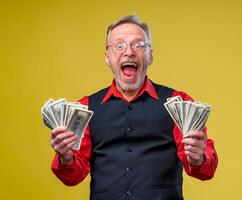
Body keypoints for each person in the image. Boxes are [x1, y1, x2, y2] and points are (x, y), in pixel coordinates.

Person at [50, 15, 218, 200]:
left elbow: (205, 171)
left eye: (139, 45)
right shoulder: (84, 107)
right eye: (119, 46)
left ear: (150, 56)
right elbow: (73, 177)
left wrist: (198, 157)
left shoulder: (178, 102)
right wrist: (65, 156)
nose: (129, 52)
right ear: (107, 57)